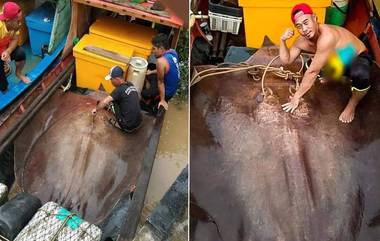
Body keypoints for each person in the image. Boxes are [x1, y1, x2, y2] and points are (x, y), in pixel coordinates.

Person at [280, 3, 372, 123]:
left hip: (356, 55)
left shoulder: (327, 36)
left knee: (361, 75)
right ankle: (333, 73)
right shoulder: (301, 41)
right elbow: (287, 60)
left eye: (306, 22)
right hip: (339, 58)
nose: (304, 29)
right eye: (299, 26)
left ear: (315, 18)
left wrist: (296, 97)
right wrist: (282, 40)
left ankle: (352, 104)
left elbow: (312, 72)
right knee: (310, 65)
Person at [91, 66, 142, 133]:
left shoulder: (119, 90)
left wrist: (96, 109)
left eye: (111, 79)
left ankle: (119, 124)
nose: (111, 81)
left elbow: (105, 101)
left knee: (112, 101)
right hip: (139, 121)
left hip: (128, 126)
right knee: (121, 99)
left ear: (117, 79)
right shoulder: (130, 84)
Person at [141, 33, 180, 113]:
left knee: (144, 94)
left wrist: (162, 100)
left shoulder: (160, 62)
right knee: (150, 73)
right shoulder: (173, 52)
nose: (152, 51)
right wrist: (151, 72)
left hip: (167, 92)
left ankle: (151, 104)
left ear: (161, 49)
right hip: (173, 87)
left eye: (154, 49)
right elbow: (165, 70)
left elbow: (160, 82)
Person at [0, 1, 30, 92]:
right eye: (18, 21)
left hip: (4, 47)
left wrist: (8, 51)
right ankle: (4, 88)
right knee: (2, 81)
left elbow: (15, 39)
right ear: (8, 21)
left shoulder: (14, 25)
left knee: (20, 53)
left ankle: (18, 73)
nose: (20, 24)